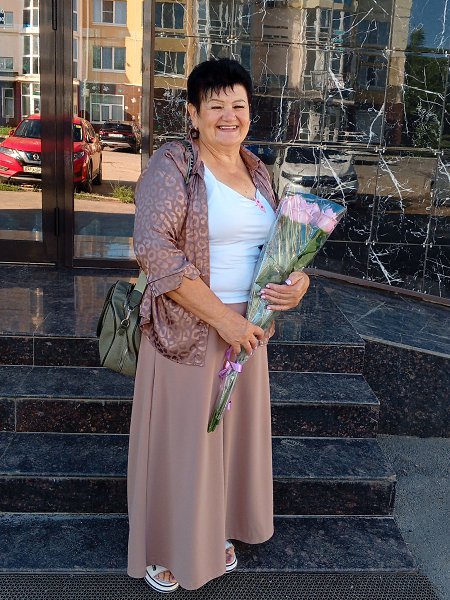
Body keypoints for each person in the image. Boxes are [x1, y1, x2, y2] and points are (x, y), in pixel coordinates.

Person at [127, 58, 310, 593]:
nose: (229, 116)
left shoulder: (257, 169)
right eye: (215, 105)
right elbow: (153, 250)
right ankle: (168, 547)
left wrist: (297, 283)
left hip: (249, 333)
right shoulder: (173, 165)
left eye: (238, 105)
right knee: (184, 445)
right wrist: (223, 320)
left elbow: (277, 247)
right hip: (189, 331)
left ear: (250, 111)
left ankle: (213, 531)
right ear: (193, 113)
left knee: (228, 443)